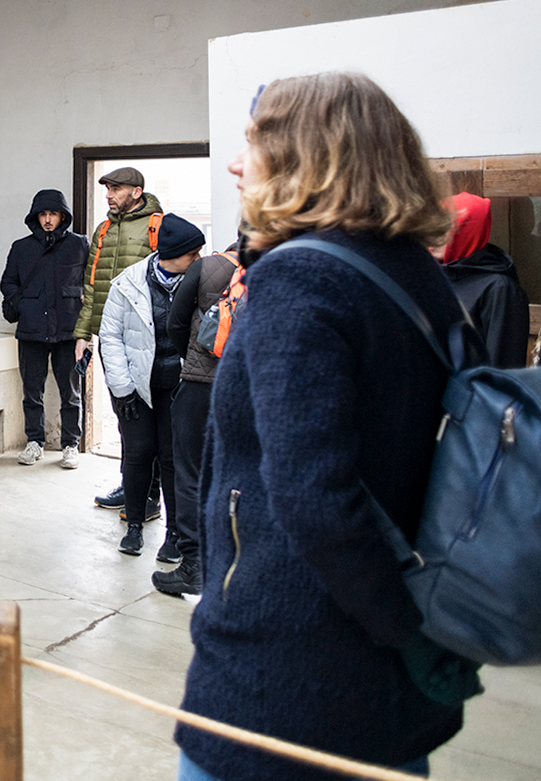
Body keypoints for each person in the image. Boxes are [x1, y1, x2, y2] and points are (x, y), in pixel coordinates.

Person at [178, 72, 481, 781]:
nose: (236, 164)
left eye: (253, 145)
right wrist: (416, 634)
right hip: (388, 677)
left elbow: (316, 498)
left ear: (304, 156)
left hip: (291, 677)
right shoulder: (414, 270)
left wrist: (404, 630)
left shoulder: (302, 280)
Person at [98, 214, 202, 558]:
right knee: (138, 455)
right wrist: (122, 387)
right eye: (193, 254)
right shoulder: (127, 284)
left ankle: (175, 535)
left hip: (179, 388)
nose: (198, 259)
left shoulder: (199, 282)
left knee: (174, 460)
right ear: (173, 253)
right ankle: (134, 526)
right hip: (136, 388)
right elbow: (110, 338)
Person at [74, 167, 165, 519]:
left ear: (137, 192)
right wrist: (84, 333)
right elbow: (91, 287)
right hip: (112, 340)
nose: (109, 195)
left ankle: (150, 496)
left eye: (116, 188)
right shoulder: (104, 229)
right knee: (125, 417)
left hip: (149, 339)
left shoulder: (157, 225)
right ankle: (132, 486)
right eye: (108, 189)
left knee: (149, 422)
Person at [153, 241, 240, 595]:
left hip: (200, 385)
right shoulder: (277, 267)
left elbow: (175, 322)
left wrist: (192, 357)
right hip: (244, 386)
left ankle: (192, 566)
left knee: (189, 473)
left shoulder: (206, 267)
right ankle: (230, 563)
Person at [0, 189, 89, 468]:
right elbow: (8, 282)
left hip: (68, 330)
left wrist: (82, 298)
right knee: (31, 390)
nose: (48, 220)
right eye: (43, 214)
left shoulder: (80, 244)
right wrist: (24, 304)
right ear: (35, 217)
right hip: (32, 329)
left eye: (53, 214)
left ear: (63, 216)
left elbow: (92, 279)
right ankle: (34, 442)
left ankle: (70, 445)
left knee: (71, 392)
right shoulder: (21, 247)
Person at [437, 192, 531, 368]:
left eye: (443, 230)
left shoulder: (500, 289)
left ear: (466, 232)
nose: (433, 238)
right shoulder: (431, 278)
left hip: (472, 393)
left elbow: (502, 368)